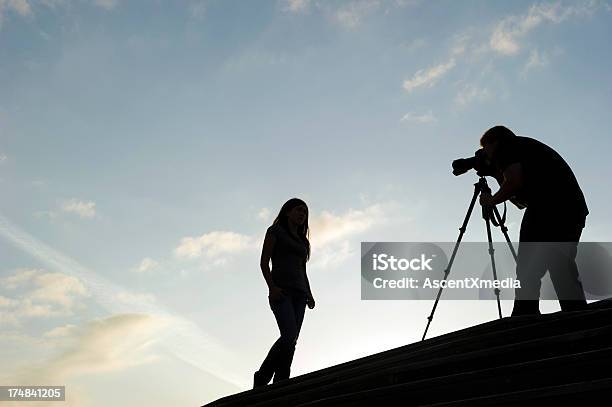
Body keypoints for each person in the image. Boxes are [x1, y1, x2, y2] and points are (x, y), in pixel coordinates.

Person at [478, 125, 589, 316]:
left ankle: (524, 315)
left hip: (547, 207)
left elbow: (514, 183)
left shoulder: (507, 147)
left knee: (528, 266)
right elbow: (520, 201)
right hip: (573, 208)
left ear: (493, 142)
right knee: (560, 263)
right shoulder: (525, 148)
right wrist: (498, 173)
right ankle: (576, 313)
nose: (486, 155)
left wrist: (492, 200)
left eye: (486, 149)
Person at [254, 198, 315, 387]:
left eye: (304, 212)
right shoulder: (275, 232)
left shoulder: (304, 242)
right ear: (287, 212)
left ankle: (281, 380)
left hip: (300, 294)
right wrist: (271, 288)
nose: (302, 214)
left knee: (291, 340)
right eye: (298, 210)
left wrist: (310, 293)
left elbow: (302, 270)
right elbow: (264, 262)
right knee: (288, 336)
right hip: (281, 292)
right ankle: (263, 376)